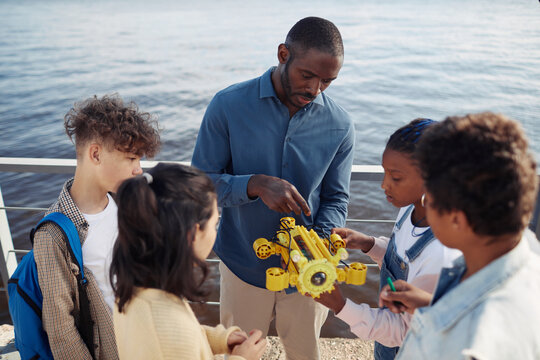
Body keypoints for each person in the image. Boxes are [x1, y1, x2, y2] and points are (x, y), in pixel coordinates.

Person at [191, 16, 354, 360]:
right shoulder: (227, 105)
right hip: (243, 266)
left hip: (308, 277)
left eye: (327, 81)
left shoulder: (341, 125)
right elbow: (199, 184)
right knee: (237, 354)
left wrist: (319, 247)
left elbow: (336, 197)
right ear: (283, 54)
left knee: (306, 354)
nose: (315, 90)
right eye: (307, 75)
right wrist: (253, 184)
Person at [377, 112, 540, 359]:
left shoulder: (470, 346)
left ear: (457, 219)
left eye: (429, 200)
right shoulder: (525, 253)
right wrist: (432, 302)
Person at [314, 119, 462, 360]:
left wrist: (340, 305)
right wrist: (369, 244)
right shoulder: (411, 207)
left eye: (396, 177)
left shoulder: (442, 252)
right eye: (385, 173)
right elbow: (403, 260)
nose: (384, 185)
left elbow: (403, 331)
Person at [33, 94, 161, 359]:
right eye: (130, 159)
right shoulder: (53, 235)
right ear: (95, 154)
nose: (139, 169)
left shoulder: (123, 204)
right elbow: (61, 330)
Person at [110, 163, 267, 360]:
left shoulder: (135, 291)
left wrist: (219, 339)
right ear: (192, 234)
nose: (214, 232)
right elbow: (174, 341)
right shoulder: (168, 327)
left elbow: (180, 340)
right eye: (214, 223)